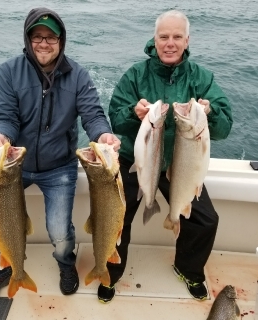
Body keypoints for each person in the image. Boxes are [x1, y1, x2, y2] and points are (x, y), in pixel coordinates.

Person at [0, 7, 120, 308]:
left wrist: (103, 136)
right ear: (28, 38)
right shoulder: (8, 72)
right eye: (37, 36)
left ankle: (65, 263)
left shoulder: (78, 76)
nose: (44, 43)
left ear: (61, 40)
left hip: (59, 167)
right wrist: (1, 136)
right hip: (11, 168)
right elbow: (5, 117)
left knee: (59, 231)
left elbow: (93, 115)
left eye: (51, 37)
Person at [97, 10, 233, 303]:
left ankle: (188, 269)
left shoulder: (201, 77)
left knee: (206, 220)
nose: (169, 43)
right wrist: (134, 114)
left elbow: (224, 129)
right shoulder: (135, 74)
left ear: (187, 40)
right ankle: (110, 272)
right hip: (137, 160)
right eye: (163, 37)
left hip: (180, 163)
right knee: (116, 217)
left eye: (176, 37)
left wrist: (210, 112)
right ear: (154, 39)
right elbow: (115, 118)